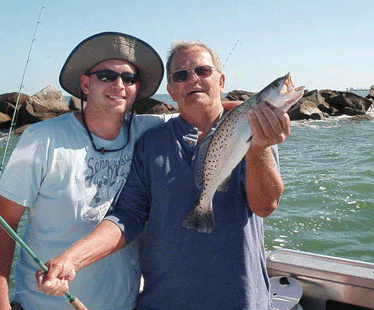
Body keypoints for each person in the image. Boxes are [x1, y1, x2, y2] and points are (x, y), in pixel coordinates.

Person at [36, 41, 291, 309]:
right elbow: (128, 215)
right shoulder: (151, 142)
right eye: (181, 75)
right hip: (162, 301)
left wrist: (260, 146)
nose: (193, 79)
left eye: (203, 71)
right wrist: (71, 260)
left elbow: (264, 206)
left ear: (221, 80)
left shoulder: (257, 132)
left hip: (240, 298)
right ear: (171, 90)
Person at [0, 31, 172, 310]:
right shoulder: (39, 138)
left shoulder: (150, 131)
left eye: (129, 78)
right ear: (84, 83)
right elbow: (4, 225)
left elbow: (202, 114)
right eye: (106, 76)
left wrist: (258, 110)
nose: (119, 84)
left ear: (137, 89)